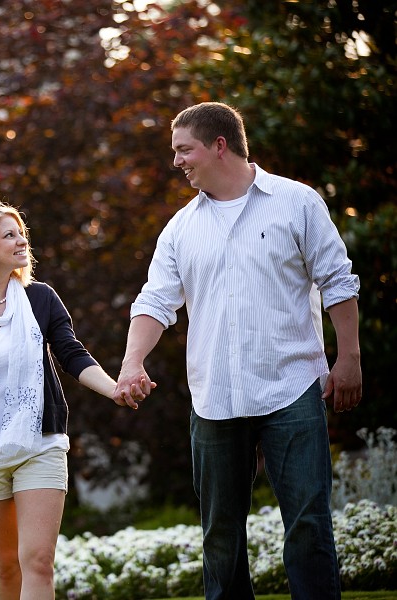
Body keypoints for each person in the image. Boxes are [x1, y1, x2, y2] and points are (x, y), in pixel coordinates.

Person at [114, 102, 362, 600]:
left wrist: (349, 357)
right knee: (221, 540)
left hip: (291, 390)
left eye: (184, 150)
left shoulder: (298, 203)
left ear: (219, 145)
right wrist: (131, 361)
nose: (177, 161)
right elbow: (157, 300)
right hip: (215, 398)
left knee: (309, 528)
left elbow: (337, 280)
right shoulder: (181, 228)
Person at [0, 200, 148, 599]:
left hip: (40, 444)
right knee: (7, 566)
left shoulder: (41, 298)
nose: (20, 240)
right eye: (9, 235)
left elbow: (71, 353)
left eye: (21, 233)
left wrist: (113, 387)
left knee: (38, 561)